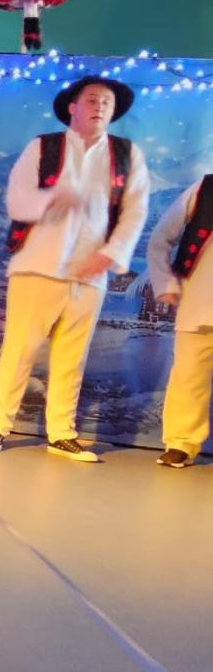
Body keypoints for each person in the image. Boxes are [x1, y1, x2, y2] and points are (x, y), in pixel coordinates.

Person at [0, 76, 149, 462]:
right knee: (19, 350)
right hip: (37, 265)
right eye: (92, 99)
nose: (100, 106)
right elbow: (17, 201)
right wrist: (54, 196)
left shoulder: (126, 155)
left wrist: (111, 254)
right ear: (72, 106)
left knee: (72, 357)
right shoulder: (44, 147)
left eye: (106, 102)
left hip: (90, 272)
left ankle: (61, 433)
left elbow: (135, 211)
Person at [146, 174, 213, 468]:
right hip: (200, 297)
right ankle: (181, 442)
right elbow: (161, 237)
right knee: (188, 375)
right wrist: (165, 282)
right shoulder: (206, 189)